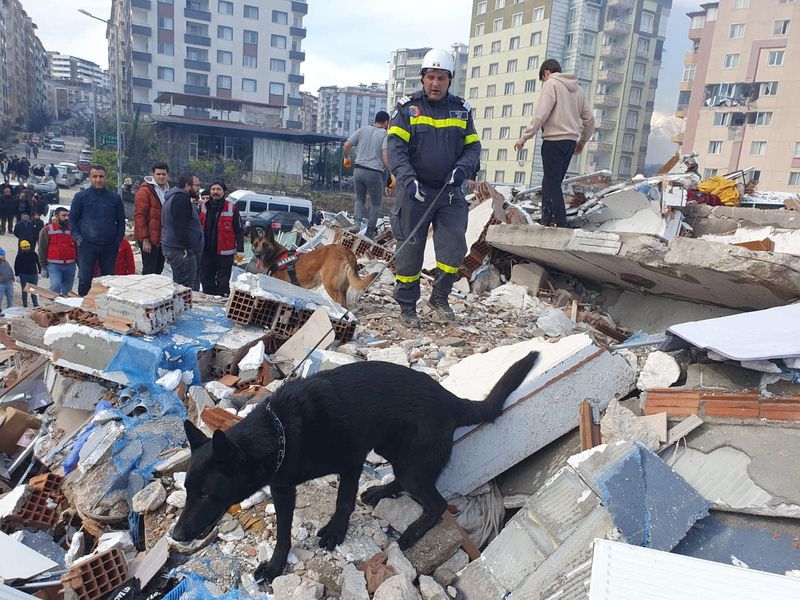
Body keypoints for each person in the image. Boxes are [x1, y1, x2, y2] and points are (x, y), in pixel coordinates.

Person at [386, 48, 481, 327]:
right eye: (430, 77)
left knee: (453, 246)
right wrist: (407, 178)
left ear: (450, 80)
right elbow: (395, 148)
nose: (435, 83)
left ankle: (440, 296)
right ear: (422, 78)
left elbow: (473, 146)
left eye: (441, 77)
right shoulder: (407, 109)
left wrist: (462, 169)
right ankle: (407, 305)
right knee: (410, 249)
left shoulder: (461, 110)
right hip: (415, 191)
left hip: (449, 192)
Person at [514, 58, 594, 228]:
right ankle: (546, 220)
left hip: (554, 141)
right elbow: (590, 119)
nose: (544, 81)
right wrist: (582, 141)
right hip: (571, 142)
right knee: (550, 182)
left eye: (542, 78)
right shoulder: (578, 89)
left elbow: (540, 114)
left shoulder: (551, 84)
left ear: (546, 73)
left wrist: (524, 138)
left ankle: (560, 225)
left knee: (553, 185)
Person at [69, 165, 126, 295]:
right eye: (95, 176)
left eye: (101, 176)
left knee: (108, 280)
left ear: (106, 178)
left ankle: (105, 307)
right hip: (86, 245)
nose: (98, 180)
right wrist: (78, 238)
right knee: (84, 279)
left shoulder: (114, 198)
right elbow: (72, 220)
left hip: (109, 246)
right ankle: (83, 307)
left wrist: (117, 241)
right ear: (89, 178)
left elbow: (121, 222)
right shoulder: (80, 197)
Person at [343, 111, 390, 239]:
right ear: (386, 122)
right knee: (376, 203)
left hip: (358, 170)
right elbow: (385, 154)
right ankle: (369, 233)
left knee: (359, 198)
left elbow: (347, 144)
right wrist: (391, 170)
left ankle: (356, 224)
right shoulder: (385, 134)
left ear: (375, 120)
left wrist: (346, 158)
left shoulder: (363, 129)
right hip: (374, 172)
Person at [199, 181, 243, 296]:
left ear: (224, 192)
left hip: (225, 252)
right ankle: (210, 299)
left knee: (223, 281)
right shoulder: (203, 206)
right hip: (207, 250)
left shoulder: (232, 208)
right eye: (213, 189)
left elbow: (239, 230)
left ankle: (221, 301)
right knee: (206, 278)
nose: (215, 192)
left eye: (218, 189)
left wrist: (241, 249)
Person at [161, 173, 203, 290]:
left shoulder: (177, 197)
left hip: (177, 248)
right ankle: (185, 308)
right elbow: (179, 226)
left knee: (186, 285)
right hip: (179, 250)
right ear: (187, 185)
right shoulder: (181, 199)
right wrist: (186, 248)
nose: (198, 188)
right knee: (185, 287)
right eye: (196, 185)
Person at [134, 162, 170, 275]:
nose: (161, 176)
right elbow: (139, 216)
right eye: (158, 174)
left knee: (159, 269)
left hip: (162, 239)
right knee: (149, 271)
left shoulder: (167, 191)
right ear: (153, 175)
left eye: (163, 174)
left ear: (168, 175)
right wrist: (145, 239)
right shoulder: (145, 191)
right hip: (149, 239)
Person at [39, 207, 77, 295]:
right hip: (54, 265)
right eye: (63, 215)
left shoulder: (73, 230)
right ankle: (51, 306)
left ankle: (64, 308)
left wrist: (80, 265)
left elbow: (77, 248)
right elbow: (42, 248)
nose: (67, 218)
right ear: (56, 216)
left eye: (68, 215)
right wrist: (43, 267)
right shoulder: (47, 230)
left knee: (67, 291)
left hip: (70, 265)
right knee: (56, 287)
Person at [14, 240, 40, 307]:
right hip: (23, 275)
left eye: (27, 246)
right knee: (24, 291)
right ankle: (25, 305)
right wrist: (17, 275)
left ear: (29, 246)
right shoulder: (19, 255)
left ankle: (35, 305)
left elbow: (38, 263)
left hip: (33, 274)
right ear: (21, 247)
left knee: (33, 290)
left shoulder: (34, 254)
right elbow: (16, 265)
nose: (26, 248)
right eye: (24, 247)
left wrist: (39, 272)